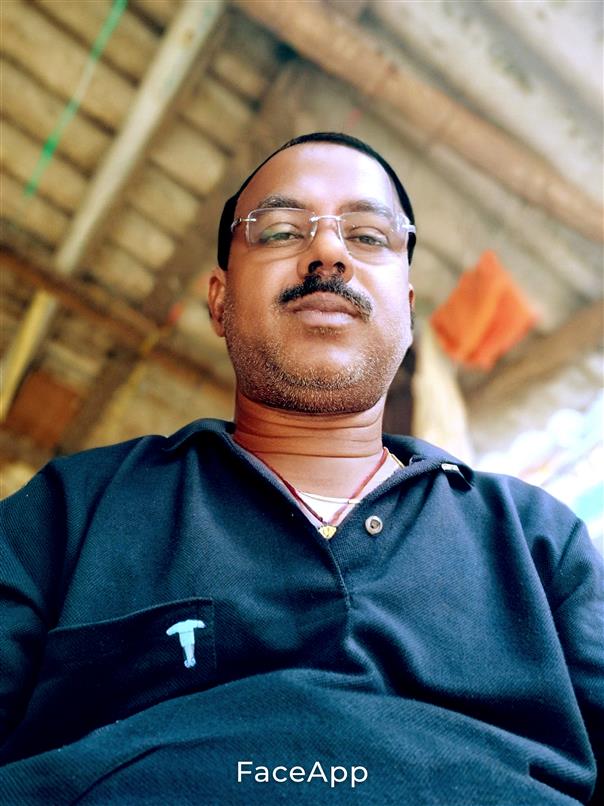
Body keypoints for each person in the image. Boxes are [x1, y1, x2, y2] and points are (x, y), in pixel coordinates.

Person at [0, 131, 602, 805]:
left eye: (368, 236)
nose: (328, 252)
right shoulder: (70, 511)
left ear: (407, 311)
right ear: (220, 301)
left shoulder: (537, 540)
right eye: (282, 230)